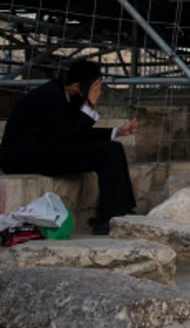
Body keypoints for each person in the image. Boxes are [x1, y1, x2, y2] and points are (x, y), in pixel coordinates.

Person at [0, 59, 137, 235]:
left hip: (47, 149)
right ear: (78, 85)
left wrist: (116, 132)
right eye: (95, 87)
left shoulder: (66, 95)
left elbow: (74, 132)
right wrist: (90, 104)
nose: (99, 91)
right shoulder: (49, 97)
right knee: (109, 152)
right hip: (25, 158)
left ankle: (119, 211)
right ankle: (108, 218)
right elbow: (71, 135)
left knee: (113, 148)